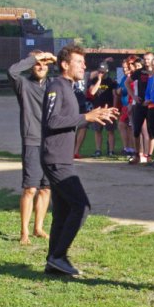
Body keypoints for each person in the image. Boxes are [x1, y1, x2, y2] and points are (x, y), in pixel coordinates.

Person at [41, 44, 118, 275]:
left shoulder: (70, 88)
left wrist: (94, 116)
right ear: (65, 64)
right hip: (55, 158)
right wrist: (87, 116)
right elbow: (51, 121)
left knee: (63, 212)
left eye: (84, 63)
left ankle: (53, 262)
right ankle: (58, 255)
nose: (84, 66)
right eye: (79, 62)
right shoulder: (56, 86)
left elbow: (72, 118)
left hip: (62, 158)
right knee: (81, 206)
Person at [8, 50, 53, 245]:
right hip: (32, 140)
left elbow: (72, 80)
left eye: (45, 64)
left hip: (51, 142)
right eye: (38, 64)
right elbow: (12, 72)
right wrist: (34, 58)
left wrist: (57, 60)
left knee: (46, 188)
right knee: (30, 188)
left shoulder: (54, 86)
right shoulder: (23, 85)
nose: (41, 67)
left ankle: (38, 227)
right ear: (32, 65)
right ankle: (24, 231)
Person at [87, 61, 118, 157]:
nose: (101, 73)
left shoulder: (111, 81)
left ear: (107, 71)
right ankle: (98, 150)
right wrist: (99, 80)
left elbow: (115, 95)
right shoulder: (94, 80)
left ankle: (111, 151)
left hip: (108, 109)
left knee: (110, 131)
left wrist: (115, 107)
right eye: (100, 71)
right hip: (97, 109)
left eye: (103, 72)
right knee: (97, 131)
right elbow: (92, 92)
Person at [129, 52, 154, 164]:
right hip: (140, 104)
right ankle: (137, 155)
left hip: (152, 105)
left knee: (152, 131)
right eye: (145, 59)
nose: (146, 61)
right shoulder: (139, 72)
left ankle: (149, 156)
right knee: (136, 131)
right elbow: (126, 82)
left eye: (148, 59)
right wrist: (134, 96)